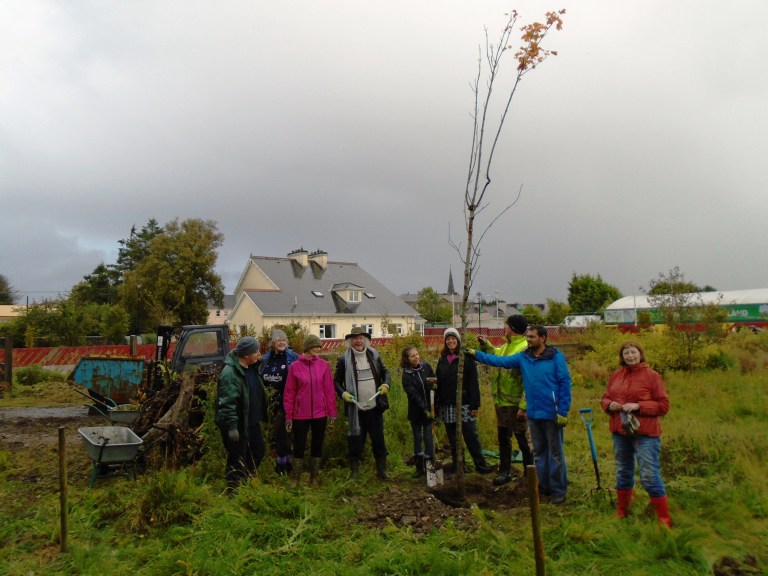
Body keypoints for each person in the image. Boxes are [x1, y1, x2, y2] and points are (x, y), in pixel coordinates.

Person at [470, 325, 572, 503]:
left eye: (532, 337)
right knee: (539, 452)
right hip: (534, 413)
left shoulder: (555, 357)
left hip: (552, 413)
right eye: (527, 337)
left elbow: (565, 383)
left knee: (555, 453)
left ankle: (558, 490)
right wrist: (477, 355)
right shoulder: (524, 357)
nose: (529, 340)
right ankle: (544, 486)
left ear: (543, 338)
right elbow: (501, 361)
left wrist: (563, 410)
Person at [601, 341, 671, 527]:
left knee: (649, 474)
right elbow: (605, 397)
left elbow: (663, 405)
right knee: (623, 471)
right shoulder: (616, 376)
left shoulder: (652, 376)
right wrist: (609, 405)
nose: (630, 356)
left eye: (633, 352)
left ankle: (664, 518)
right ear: (622, 357)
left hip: (645, 433)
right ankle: (622, 511)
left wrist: (638, 406)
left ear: (640, 354)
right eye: (626, 353)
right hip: (620, 431)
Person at [477, 314, 534, 485]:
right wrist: (486, 346)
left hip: (515, 403)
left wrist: (523, 406)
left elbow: (528, 381)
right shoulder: (506, 346)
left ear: (514, 329)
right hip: (501, 402)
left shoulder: (524, 349)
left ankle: (529, 472)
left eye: (506, 325)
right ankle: (505, 471)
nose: (504, 328)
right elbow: (496, 355)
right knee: (503, 437)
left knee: (522, 438)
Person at [334, 327, 391, 480]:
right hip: (356, 408)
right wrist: (344, 393)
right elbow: (336, 382)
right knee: (355, 441)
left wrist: (386, 384)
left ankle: (381, 471)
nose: (358, 341)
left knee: (378, 439)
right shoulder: (343, 359)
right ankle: (354, 473)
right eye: (355, 338)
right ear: (350, 341)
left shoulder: (374, 355)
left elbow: (386, 373)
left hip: (374, 407)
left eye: (361, 338)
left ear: (365, 340)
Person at [435, 327, 492, 475]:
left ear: (458, 340)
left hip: (465, 403)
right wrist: (437, 404)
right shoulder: (442, 360)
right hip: (447, 405)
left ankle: (481, 466)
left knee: (470, 436)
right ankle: (459, 466)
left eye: (453, 338)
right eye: (447, 339)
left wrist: (475, 404)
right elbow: (439, 383)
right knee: (453, 439)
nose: (450, 341)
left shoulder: (466, 358)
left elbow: (473, 382)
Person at [283, 334, 337, 487]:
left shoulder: (323, 365)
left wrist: (332, 412)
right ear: (307, 348)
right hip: (300, 414)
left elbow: (329, 390)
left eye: (320, 347)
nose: (319, 349)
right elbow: (289, 393)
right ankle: (296, 479)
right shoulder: (294, 367)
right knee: (299, 445)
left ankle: (314, 478)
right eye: (315, 346)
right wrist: (289, 416)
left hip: (320, 413)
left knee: (317, 444)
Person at [215, 336, 268, 492]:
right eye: (256, 351)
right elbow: (227, 403)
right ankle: (233, 491)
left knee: (258, 451)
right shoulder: (230, 374)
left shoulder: (250, 366)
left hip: (252, 421)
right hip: (237, 423)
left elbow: (260, 362)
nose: (259, 353)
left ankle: (245, 480)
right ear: (246, 355)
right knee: (236, 458)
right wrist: (232, 427)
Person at [259, 328, 299, 475]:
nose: (282, 342)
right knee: (275, 433)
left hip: (286, 401)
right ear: (272, 343)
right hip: (269, 402)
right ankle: (283, 460)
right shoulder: (264, 359)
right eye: (278, 340)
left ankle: (283, 463)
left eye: (284, 340)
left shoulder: (293, 357)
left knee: (282, 430)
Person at [400, 345, 437, 478]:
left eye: (417, 354)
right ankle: (419, 468)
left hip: (429, 410)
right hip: (416, 412)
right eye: (412, 356)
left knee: (428, 438)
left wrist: (433, 385)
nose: (416, 357)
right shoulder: (407, 375)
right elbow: (413, 395)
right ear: (407, 359)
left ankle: (430, 468)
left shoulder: (425, 367)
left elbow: (434, 379)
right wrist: (424, 409)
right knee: (418, 438)